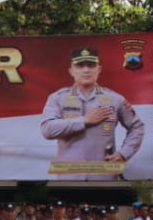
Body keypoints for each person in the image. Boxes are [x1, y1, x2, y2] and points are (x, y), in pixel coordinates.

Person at [40, 46, 146, 181]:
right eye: (80, 66)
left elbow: (137, 127)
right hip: (69, 176)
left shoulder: (115, 99)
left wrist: (123, 154)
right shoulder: (57, 98)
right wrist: (84, 121)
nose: (86, 70)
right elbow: (47, 130)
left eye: (91, 65)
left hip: (104, 175)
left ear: (98, 69)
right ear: (71, 70)